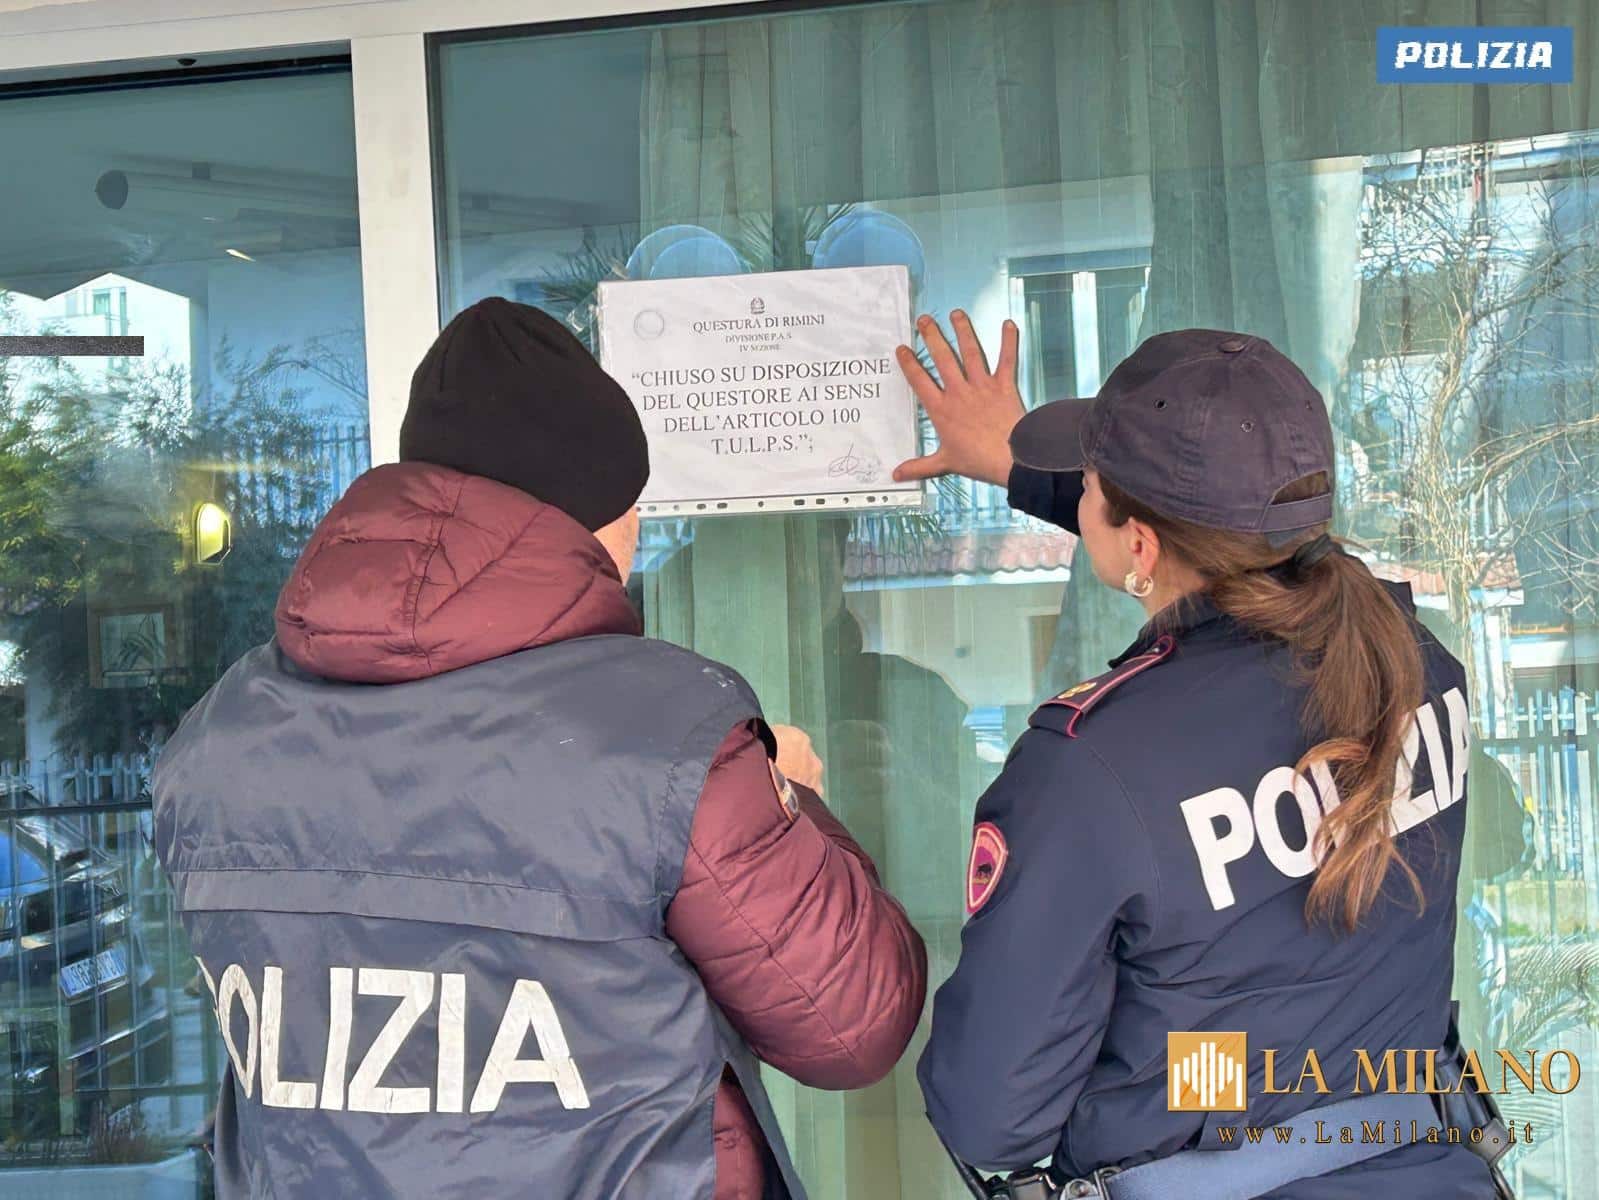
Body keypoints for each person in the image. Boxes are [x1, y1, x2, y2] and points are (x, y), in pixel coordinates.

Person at [151, 298, 927, 1200]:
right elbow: (850, 1025)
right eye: (635, 510)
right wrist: (787, 797)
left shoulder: (216, 738)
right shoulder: (665, 740)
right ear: (591, 515)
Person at [893, 314, 1502, 1199]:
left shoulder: (1092, 767)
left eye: (1086, 485)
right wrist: (1026, 472)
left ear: (1139, 542)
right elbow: (1238, 556)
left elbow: (993, 1114)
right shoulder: (1410, 661)